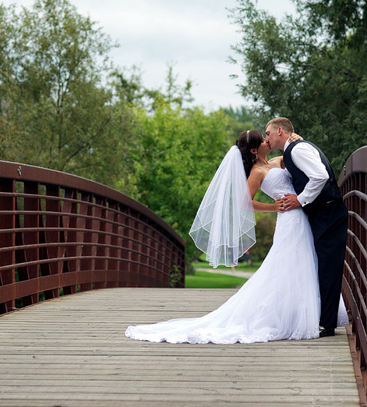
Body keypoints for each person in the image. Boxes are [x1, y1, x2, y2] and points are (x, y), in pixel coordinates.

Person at [125, 130, 347, 344]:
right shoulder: (257, 173)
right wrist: (273, 206)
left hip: (303, 215)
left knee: (306, 264)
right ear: (253, 150)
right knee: (289, 264)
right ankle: (295, 318)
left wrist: (295, 139)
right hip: (288, 219)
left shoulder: (278, 161)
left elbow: (295, 155)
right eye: (262, 139)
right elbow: (244, 202)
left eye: (267, 136)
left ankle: (312, 314)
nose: (267, 140)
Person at [264, 117, 348, 338]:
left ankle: (327, 325)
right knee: (321, 266)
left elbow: (320, 176)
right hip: (322, 213)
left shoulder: (298, 150)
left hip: (328, 213)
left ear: (279, 130)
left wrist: (301, 199)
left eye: (268, 133)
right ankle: (323, 320)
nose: (267, 138)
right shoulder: (292, 150)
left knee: (328, 268)